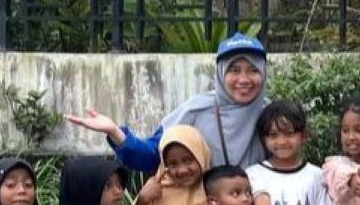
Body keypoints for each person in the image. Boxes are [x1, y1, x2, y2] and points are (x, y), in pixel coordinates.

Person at [65, 32, 271, 171]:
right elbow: (152, 155)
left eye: (253, 70)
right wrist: (115, 133)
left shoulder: (270, 115)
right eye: (234, 70)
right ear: (220, 74)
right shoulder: (196, 111)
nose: (244, 79)